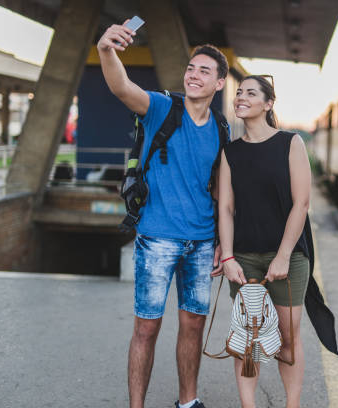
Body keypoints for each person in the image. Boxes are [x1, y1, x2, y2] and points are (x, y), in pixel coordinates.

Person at [97, 21, 229, 408]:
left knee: (193, 326)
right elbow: (122, 87)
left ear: (220, 83)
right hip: (157, 239)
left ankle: (188, 401)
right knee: (146, 329)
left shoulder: (221, 129)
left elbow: (219, 191)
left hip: (202, 243)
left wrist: (223, 243)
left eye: (205, 70)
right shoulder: (161, 107)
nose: (194, 74)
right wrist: (106, 49)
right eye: (191, 68)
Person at [215, 75, 338, 408]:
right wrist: (227, 256)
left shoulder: (290, 143)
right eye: (239, 92)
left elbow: (301, 204)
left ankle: (291, 405)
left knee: (288, 339)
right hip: (244, 258)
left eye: (250, 93)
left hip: (288, 258)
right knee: (247, 338)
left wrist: (283, 256)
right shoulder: (231, 152)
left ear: (268, 104)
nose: (241, 97)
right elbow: (225, 207)